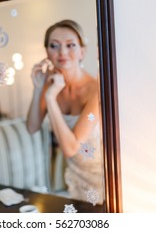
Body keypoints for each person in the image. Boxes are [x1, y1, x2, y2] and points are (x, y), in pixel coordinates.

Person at [26, 19, 104, 203]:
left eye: (70, 45)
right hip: (75, 176)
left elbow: (71, 148)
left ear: (82, 52)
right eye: (54, 45)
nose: (62, 52)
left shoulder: (95, 91)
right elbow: (32, 127)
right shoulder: (50, 85)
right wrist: (39, 89)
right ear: (47, 52)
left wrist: (51, 98)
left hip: (102, 177)